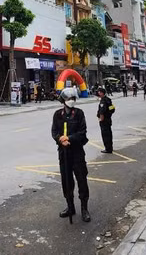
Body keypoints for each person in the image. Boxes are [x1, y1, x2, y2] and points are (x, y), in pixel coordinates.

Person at [51, 87, 91, 222]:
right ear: (63, 100)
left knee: (82, 180)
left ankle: (84, 208)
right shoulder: (57, 114)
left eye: (73, 99)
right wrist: (60, 139)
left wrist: (69, 139)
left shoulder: (79, 113)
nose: (71, 101)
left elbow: (82, 132)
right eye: (69, 99)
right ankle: (70, 206)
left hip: (77, 152)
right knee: (66, 181)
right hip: (64, 153)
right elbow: (54, 131)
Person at [95, 86, 115, 154]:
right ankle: (110, 147)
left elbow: (102, 111)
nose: (98, 93)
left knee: (105, 134)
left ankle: (108, 148)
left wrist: (101, 119)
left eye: (99, 92)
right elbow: (112, 109)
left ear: (102, 93)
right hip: (108, 119)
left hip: (104, 120)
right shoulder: (108, 99)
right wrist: (109, 114)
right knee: (109, 134)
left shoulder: (103, 101)